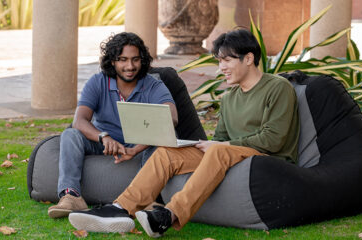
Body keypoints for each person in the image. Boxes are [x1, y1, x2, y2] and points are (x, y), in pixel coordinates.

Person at [68, 29, 299, 237]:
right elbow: (219, 138)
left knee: (218, 151)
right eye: (220, 61)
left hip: (269, 162)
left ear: (248, 59)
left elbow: (273, 139)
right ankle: (120, 209)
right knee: (168, 152)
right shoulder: (229, 98)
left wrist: (222, 146)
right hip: (231, 154)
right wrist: (202, 145)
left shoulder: (278, 87)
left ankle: (168, 216)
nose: (222, 68)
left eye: (227, 60)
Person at [47, 32, 177, 219]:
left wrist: (138, 148)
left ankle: (145, 199)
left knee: (162, 143)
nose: (130, 66)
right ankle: (71, 196)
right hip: (103, 142)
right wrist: (103, 136)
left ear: (143, 61)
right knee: (70, 134)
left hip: (140, 146)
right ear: (112, 61)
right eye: (122, 59)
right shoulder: (98, 82)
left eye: (135, 60)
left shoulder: (153, 85)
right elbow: (80, 120)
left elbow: (171, 118)